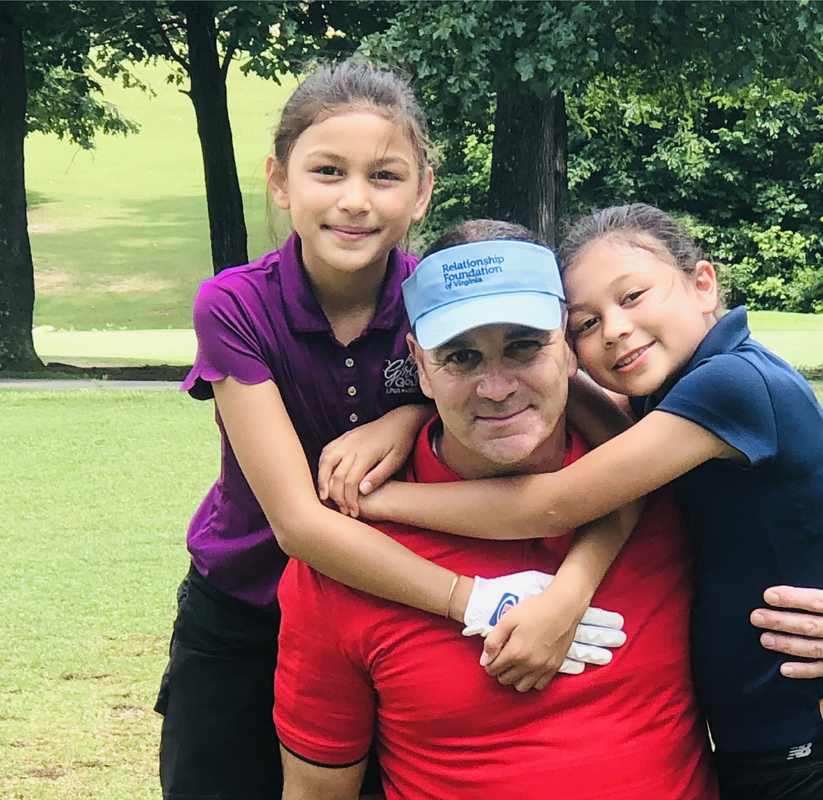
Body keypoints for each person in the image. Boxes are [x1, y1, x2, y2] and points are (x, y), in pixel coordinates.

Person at [155, 61, 632, 800]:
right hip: (249, 606)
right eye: (327, 171)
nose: (355, 200)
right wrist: (473, 601)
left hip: (385, 601)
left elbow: (619, 449)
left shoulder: (443, 301)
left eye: (384, 176)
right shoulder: (235, 305)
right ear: (280, 182)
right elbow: (298, 524)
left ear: (422, 192)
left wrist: (404, 414)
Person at [356, 204, 823, 799]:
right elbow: (532, 386)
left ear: (703, 285)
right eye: (587, 322)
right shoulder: (672, 393)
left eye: (633, 296)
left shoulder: (731, 385)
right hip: (764, 753)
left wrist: (379, 501)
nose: (615, 329)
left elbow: (551, 505)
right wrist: (412, 412)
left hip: (822, 759)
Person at [274, 221, 717, 800]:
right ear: (421, 367)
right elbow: (316, 791)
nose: (497, 387)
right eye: (462, 357)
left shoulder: (667, 478)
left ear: (568, 343)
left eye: (523, 346)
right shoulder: (346, 559)